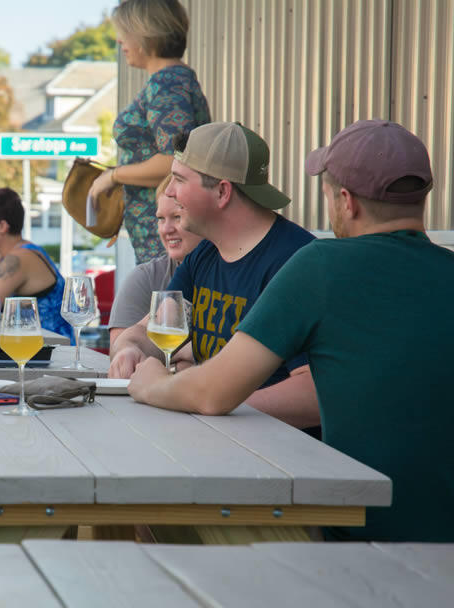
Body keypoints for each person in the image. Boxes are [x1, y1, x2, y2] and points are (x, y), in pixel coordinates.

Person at [128, 120, 454, 566]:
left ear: (345, 201)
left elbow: (211, 393)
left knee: (165, 523)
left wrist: (148, 381)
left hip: (380, 552)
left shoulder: (320, 266)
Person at [109, 122, 319, 433]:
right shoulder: (205, 254)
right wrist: (129, 349)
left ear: (222, 192)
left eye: (179, 179)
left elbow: (313, 396)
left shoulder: (296, 262)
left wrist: (200, 400)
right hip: (217, 443)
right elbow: (148, 332)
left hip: (284, 461)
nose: (168, 191)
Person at [88, 0, 210, 264]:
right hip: (166, 235)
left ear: (146, 34)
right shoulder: (173, 80)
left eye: (124, 32)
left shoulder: (166, 84)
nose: (120, 41)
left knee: (166, 302)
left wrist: (114, 176)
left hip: (167, 239)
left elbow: (175, 160)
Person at [0, 187, 73, 340]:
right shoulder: (6, 256)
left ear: (2, 226)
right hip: (37, 347)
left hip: (52, 352)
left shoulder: (18, 259)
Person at [108, 176, 202, 348]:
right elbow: (120, 356)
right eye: (161, 219)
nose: (166, 229)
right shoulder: (145, 278)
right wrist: (182, 358)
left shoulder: (229, 273)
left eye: (177, 217)